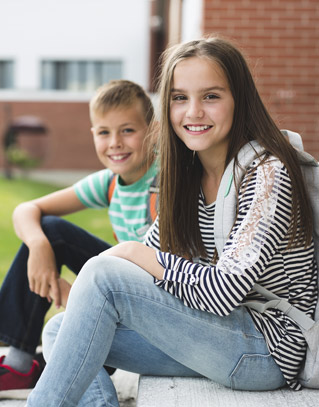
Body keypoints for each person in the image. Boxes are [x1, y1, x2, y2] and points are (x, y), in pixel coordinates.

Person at [27, 36, 317, 406]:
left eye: (211, 96)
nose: (193, 112)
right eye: (180, 98)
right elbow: (143, 268)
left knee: (102, 276)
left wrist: (129, 254)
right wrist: (105, 284)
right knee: (60, 329)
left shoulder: (268, 172)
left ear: (239, 99)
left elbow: (224, 291)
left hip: (269, 350)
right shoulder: (189, 174)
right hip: (220, 339)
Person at [0, 80, 157, 395]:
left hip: (153, 303)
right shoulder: (110, 183)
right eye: (104, 132)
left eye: (128, 130)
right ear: (93, 135)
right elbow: (27, 210)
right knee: (49, 230)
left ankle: (30, 366)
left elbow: (161, 271)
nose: (115, 142)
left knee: (56, 233)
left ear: (153, 130)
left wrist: (85, 296)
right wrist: (39, 248)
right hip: (118, 288)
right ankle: (20, 364)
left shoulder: (164, 181)